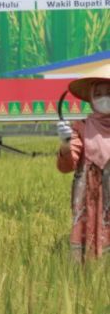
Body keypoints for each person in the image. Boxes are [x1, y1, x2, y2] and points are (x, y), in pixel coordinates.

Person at [56, 62, 110, 261]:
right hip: (91, 200)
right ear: (92, 99)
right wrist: (65, 144)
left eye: (109, 92)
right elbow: (67, 166)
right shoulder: (81, 128)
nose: (104, 98)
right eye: (99, 94)